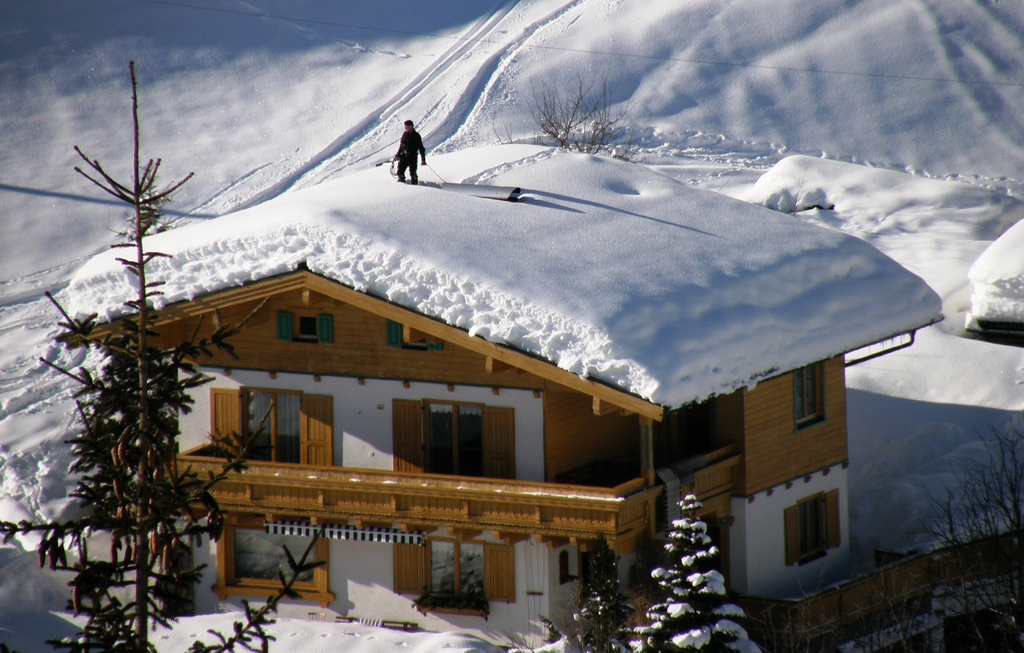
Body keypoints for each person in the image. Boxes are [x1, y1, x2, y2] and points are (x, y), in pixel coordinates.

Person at [394, 119, 426, 184]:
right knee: (400, 172)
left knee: (413, 173)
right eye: (405, 126)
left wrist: (423, 160)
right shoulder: (404, 134)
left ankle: (415, 187)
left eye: (407, 126)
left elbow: (421, 148)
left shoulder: (416, 136)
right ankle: (401, 183)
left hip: (412, 157)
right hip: (403, 156)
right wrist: (398, 154)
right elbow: (401, 145)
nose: (405, 128)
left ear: (411, 126)